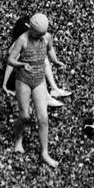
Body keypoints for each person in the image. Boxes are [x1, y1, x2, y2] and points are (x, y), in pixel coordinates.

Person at [7, 13, 61, 168]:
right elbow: (10, 59)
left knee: (43, 118)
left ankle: (45, 153)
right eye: (38, 34)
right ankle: (18, 139)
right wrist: (21, 65)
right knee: (25, 116)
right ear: (31, 29)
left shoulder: (46, 37)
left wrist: (55, 61)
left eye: (42, 34)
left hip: (39, 80)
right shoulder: (23, 40)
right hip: (23, 80)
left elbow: (50, 49)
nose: (40, 37)